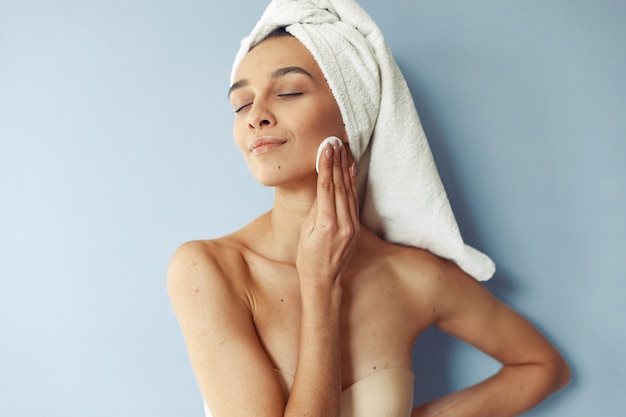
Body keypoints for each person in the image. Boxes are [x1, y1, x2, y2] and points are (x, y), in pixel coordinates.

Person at [167, 1, 570, 416]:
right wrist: (320, 288)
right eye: (241, 104)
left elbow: (542, 367)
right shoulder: (209, 270)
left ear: (351, 112)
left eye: (287, 92)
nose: (256, 117)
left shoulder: (412, 276)